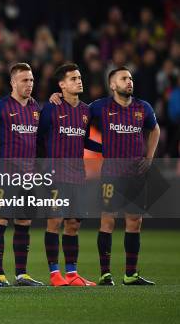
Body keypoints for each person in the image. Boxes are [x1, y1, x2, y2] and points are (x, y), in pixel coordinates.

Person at [91, 67, 160, 285]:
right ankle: (105, 273)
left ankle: (130, 274)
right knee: (108, 220)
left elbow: (155, 130)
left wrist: (149, 158)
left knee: (134, 221)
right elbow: (77, 118)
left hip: (136, 174)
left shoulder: (143, 107)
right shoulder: (99, 107)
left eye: (130, 78)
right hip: (111, 174)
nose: (129, 81)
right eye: (123, 78)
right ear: (112, 85)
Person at [38, 63, 100, 286]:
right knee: (54, 222)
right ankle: (55, 274)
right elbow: (39, 138)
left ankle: (72, 275)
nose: (79, 81)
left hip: (78, 176)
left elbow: (82, 139)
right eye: (73, 78)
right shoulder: (51, 108)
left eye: (79, 77)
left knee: (73, 224)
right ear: (61, 85)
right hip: (55, 175)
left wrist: (105, 148)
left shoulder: (86, 110)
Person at [0, 63, 44, 286]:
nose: (29, 84)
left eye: (31, 80)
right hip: (5, 173)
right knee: (1, 219)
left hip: (28, 175)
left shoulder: (35, 108)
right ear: (13, 82)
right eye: (24, 80)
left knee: (24, 221)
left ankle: (21, 274)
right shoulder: (0, 107)